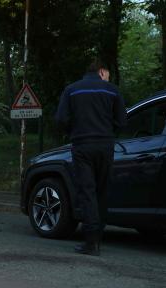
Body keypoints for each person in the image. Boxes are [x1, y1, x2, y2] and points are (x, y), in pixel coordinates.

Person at [55, 59, 127, 256]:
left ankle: (91, 242)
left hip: (82, 145)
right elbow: (122, 121)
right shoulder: (112, 90)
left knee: (87, 192)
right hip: (105, 146)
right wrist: (108, 130)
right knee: (102, 191)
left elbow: (61, 119)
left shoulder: (71, 90)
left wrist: (74, 130)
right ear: (102, 71)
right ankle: (99, 236)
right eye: (108, 75)